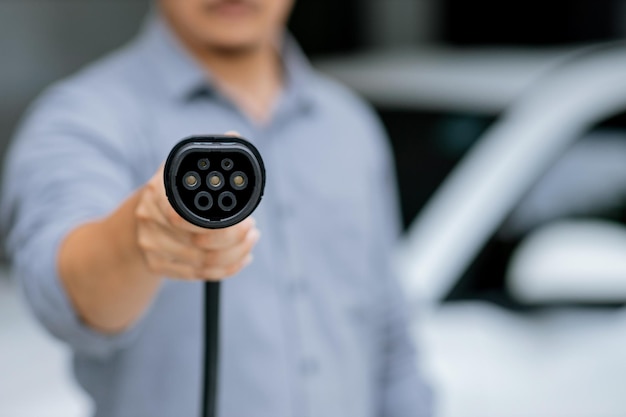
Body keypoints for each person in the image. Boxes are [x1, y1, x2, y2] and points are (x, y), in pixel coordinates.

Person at [1, 0, 433, 416]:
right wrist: (141, 239)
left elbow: (387, 329)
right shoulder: (82, 116)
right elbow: (60, 289)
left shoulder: (348, 124)